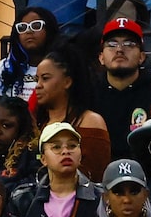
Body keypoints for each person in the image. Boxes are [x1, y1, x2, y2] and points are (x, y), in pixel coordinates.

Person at [29, 40, 114, 174]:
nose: (38, 86)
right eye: (36, 80)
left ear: (67, 82)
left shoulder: (90, 121)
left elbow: (95, 176)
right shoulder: (37, 123)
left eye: (45, 78)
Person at [10, 116, 102, 217]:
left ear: (80, 155)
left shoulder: (101, 197)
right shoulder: (23, 198)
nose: (65, 151)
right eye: (56, 147)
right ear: (43, 159)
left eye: (72, 146)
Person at [86, 16, 151, 143]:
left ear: (142, 57)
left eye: (129, 44)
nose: (119, 50)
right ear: (101, 57)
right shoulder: (88, 92)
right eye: (112, 44)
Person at [0, 6, 64, 103]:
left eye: (36, 26)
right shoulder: (5, 66)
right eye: (22, 27)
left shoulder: (62, 67)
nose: (29, 31)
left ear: (49, 30)